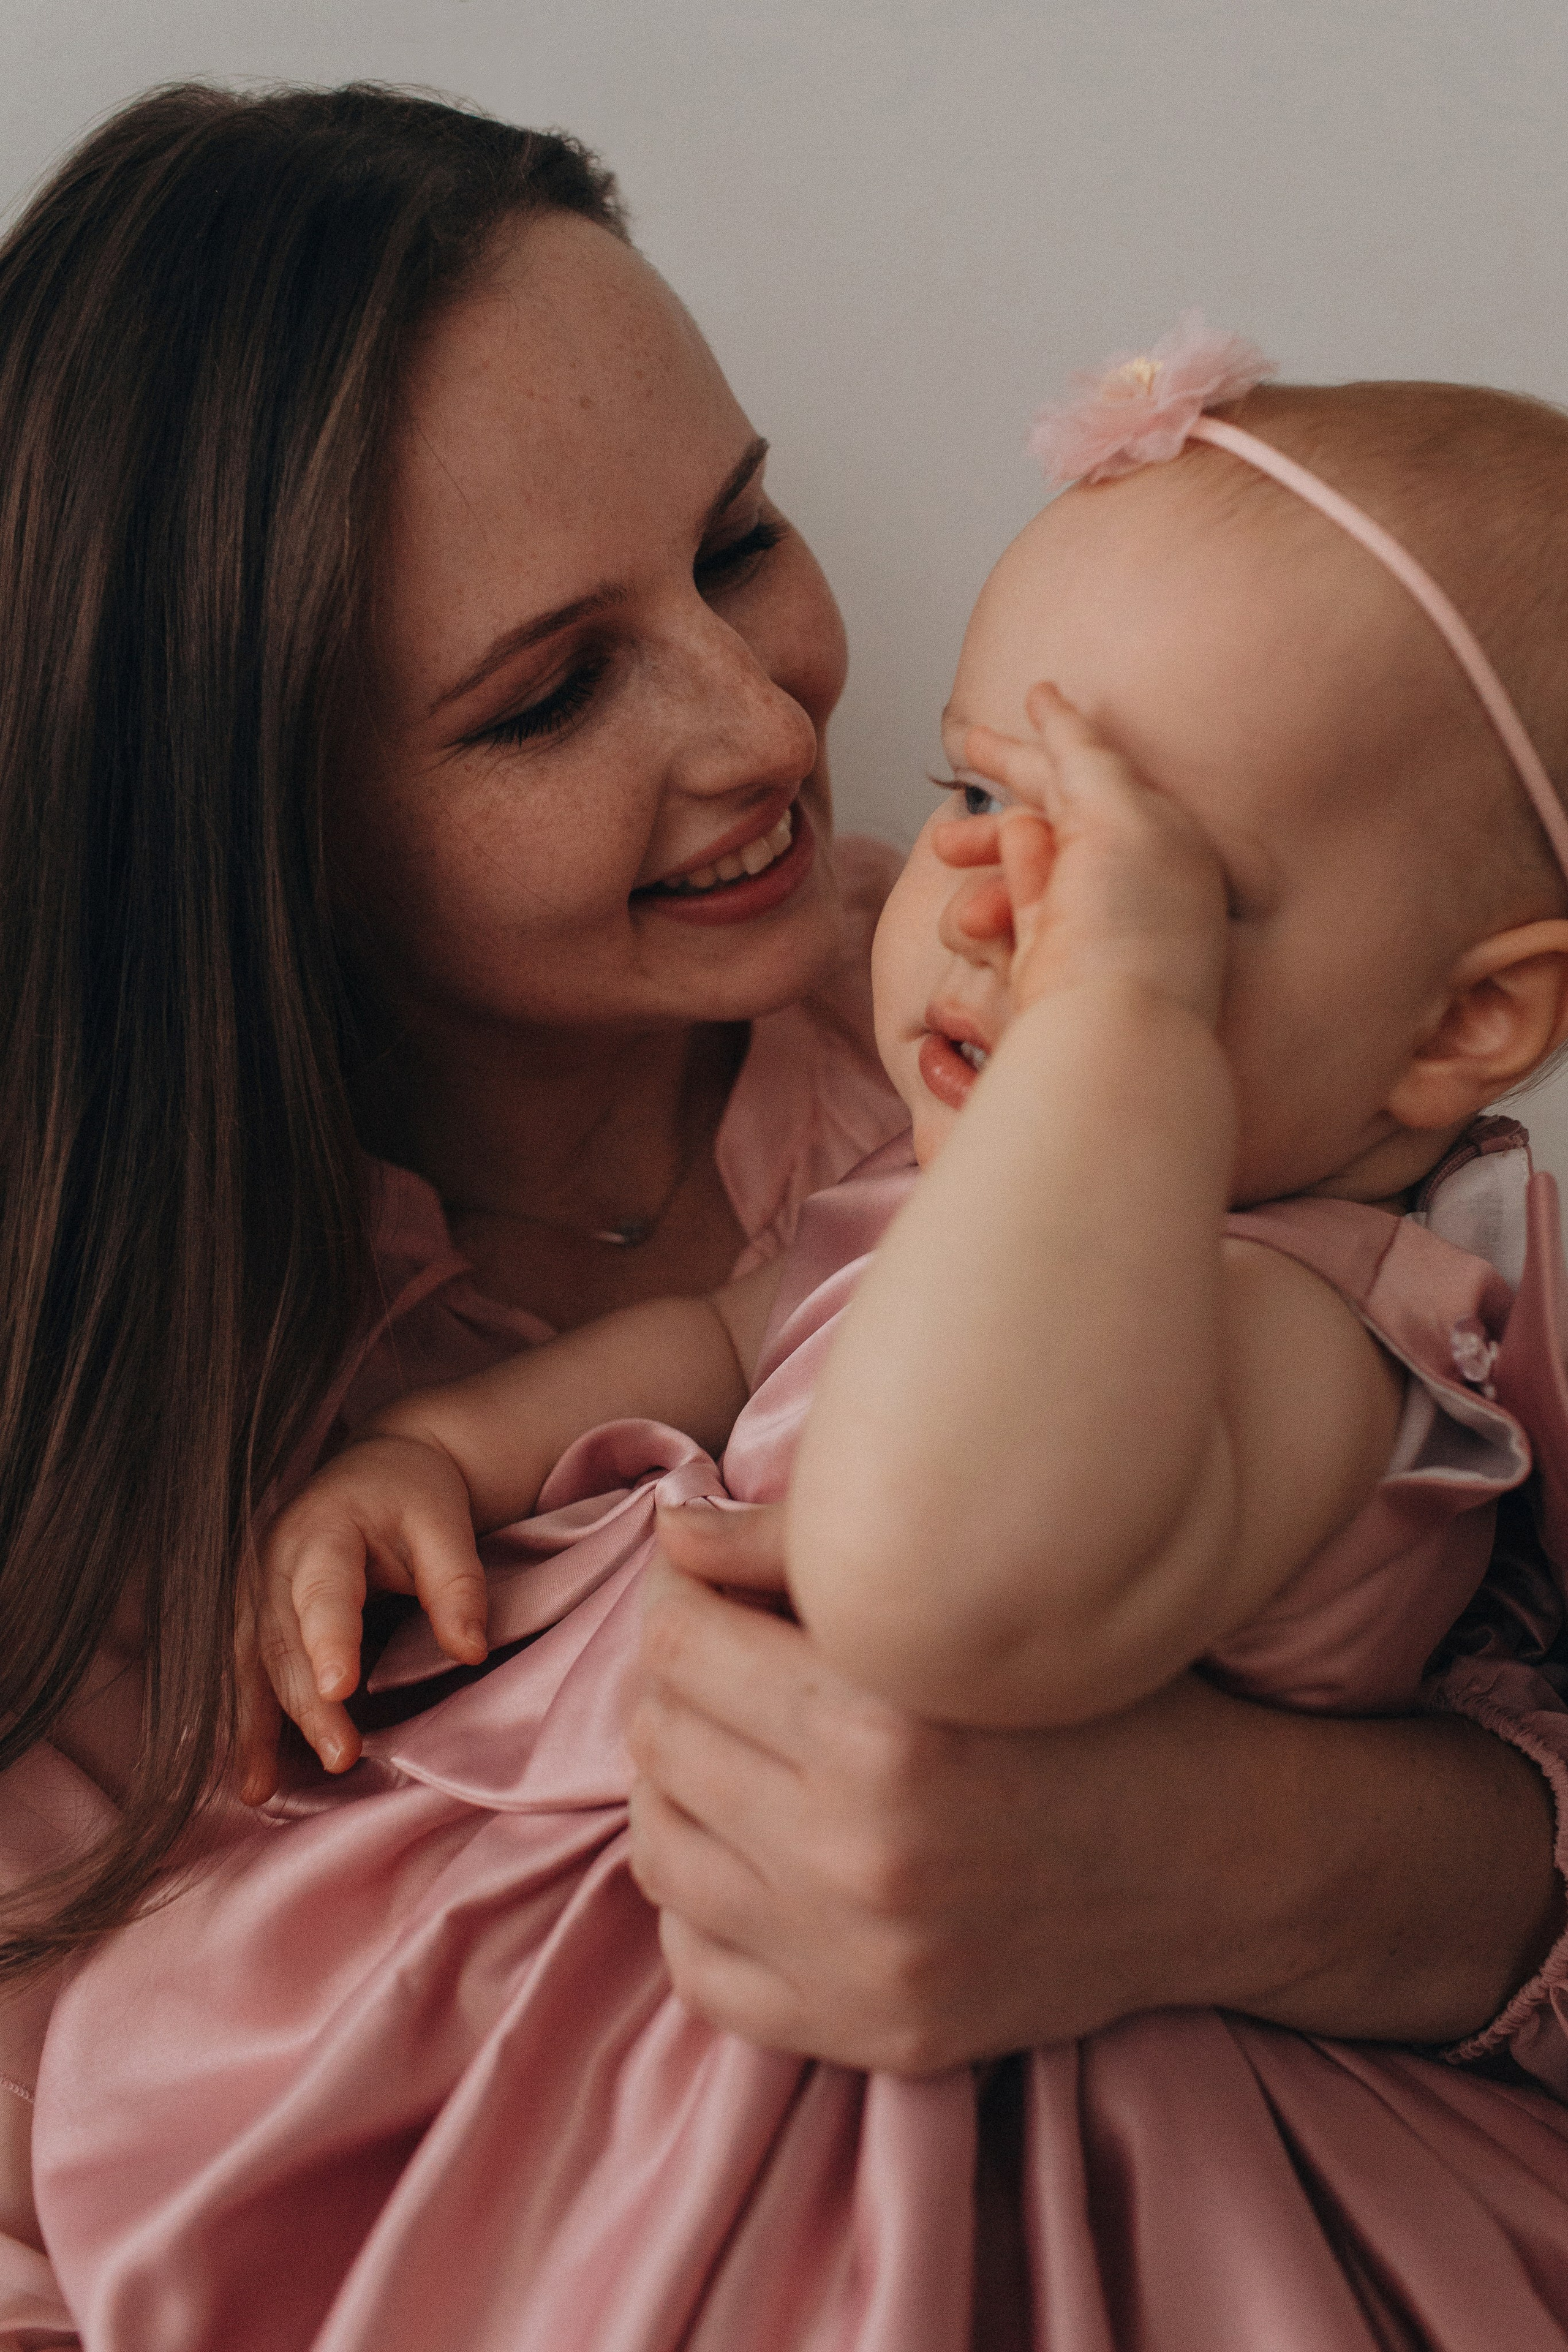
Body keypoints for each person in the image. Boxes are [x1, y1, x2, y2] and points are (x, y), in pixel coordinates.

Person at [0, 75, 1559, 2343]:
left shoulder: (1205, 1121)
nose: (766, 722)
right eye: (547, 697)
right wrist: (428, 1456)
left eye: (738, 540)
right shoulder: (101, 1415)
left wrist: (1246, 1862)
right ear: (256, 822)